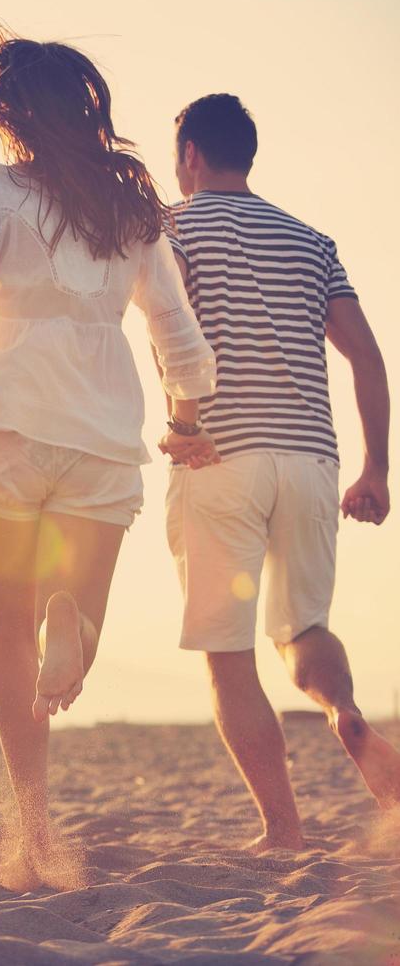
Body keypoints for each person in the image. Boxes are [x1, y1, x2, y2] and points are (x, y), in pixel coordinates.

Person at [0, 30, 218, 888]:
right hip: (100, 438)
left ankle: (33, 831)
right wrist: (186, 418)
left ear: (7, 115)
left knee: (7, 633)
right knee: (71, 626)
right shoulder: (129, 209)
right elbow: (175, 326)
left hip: (3, 433)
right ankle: (78, 626)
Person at [162, 94, 397, 850]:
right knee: (305, 629)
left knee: (228, 657)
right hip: (309, 460)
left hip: (216, 452)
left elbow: (172, 337)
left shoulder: (171, 228)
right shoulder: (311, 241)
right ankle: (342, 712)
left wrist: (180, 424)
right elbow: (365, 354)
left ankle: (283, 829)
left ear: (191, 154)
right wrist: (375, 469)